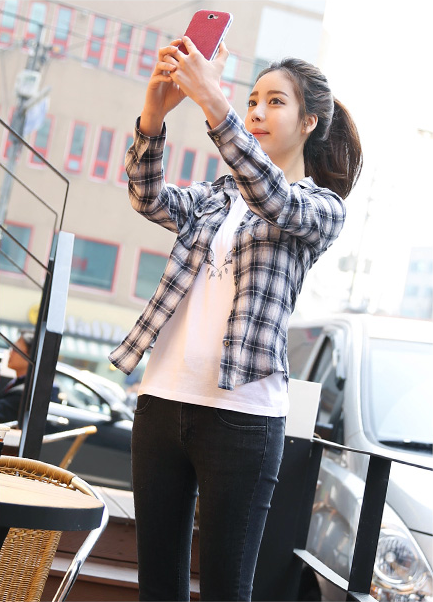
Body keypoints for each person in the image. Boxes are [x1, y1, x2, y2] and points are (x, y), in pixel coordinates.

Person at [109, 36, 362, 602]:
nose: (256, 111)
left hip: (242, 418)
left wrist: (213, 102)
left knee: (227, 591)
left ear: (309, 123)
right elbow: (147, 198)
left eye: (275, 102)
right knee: (158, 590)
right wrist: (153, 114)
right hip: (161, 401)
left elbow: (275, 200)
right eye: (251, 101)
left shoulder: (321, 208)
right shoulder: (216, 197)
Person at [0, 330, 33, 423]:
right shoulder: (17, 383)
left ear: (29, 356)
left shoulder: (24, 391)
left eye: (15, 350)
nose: (10, 353)